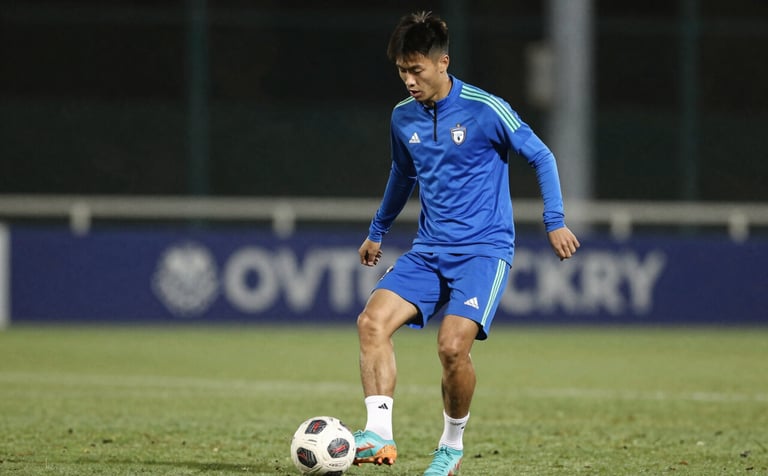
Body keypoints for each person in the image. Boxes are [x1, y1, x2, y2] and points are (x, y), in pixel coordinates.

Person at [352, 11, 580, 476]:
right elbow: (402, 174)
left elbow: (541, 154)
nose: (409, 80)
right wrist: (378, 230)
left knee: (453, 347)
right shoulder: (402, 118)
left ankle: (450, 447)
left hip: (483, 250)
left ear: (443, 63)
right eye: (402, 71)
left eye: (416, 70)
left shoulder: (485, 108)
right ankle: (379, 434)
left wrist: (553, 220)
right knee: (372, 322)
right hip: (429, 249)